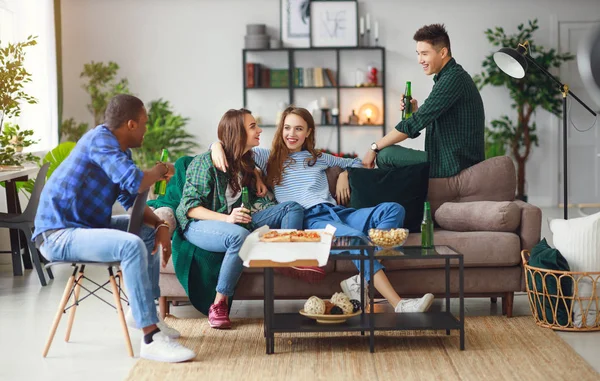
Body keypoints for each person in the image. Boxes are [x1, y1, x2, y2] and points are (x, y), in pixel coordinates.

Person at [212, 107, 434, 313]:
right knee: (357, 239)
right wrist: (215, 146)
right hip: (310, 220)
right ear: (281, 130)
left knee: (393, 209)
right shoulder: (268, 157)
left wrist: (344, 174)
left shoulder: (318, 158)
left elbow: (357, 163)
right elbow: (234, 148)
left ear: (308, 132)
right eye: (287, 128)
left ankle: (360, 279)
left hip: (336, 213)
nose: (292, 134)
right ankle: (399, 303)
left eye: (299, 129)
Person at [33, 94, 195, 363]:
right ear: (131, 124)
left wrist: (160, 224)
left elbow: (131, 200)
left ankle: (145, 313)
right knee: (129, 244)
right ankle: (150, 338)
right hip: (57, 234)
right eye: (144, 123)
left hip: (86, 228)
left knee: (146, 231)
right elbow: (135, 182)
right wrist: (161, 170)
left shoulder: (121, 152)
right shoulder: (100, 140)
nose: (146, 129)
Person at [176, 108, 305, 329]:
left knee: (292, 208)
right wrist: (226, 219)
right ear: (238, 133)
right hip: (199, 225)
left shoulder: (245, 161)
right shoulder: (205, 163)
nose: (260, 130)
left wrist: (256, 176)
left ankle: (284, 256)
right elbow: (190, 208)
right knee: (240, 236)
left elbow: (252, 166)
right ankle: (219, 304)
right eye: (253, 126)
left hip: (237, 222)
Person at [363, 23, 485, 178]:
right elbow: (423, 119)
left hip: (454, 163)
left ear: (443, 52)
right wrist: (415, 112)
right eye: (418, 53)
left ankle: (406, 200)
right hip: (447, 158)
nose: (420, 60)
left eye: (425, 54)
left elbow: (414, 124)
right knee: (387, 154)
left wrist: (374, 147)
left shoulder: (452, 79)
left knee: (385, 155)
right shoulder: (448, 77)